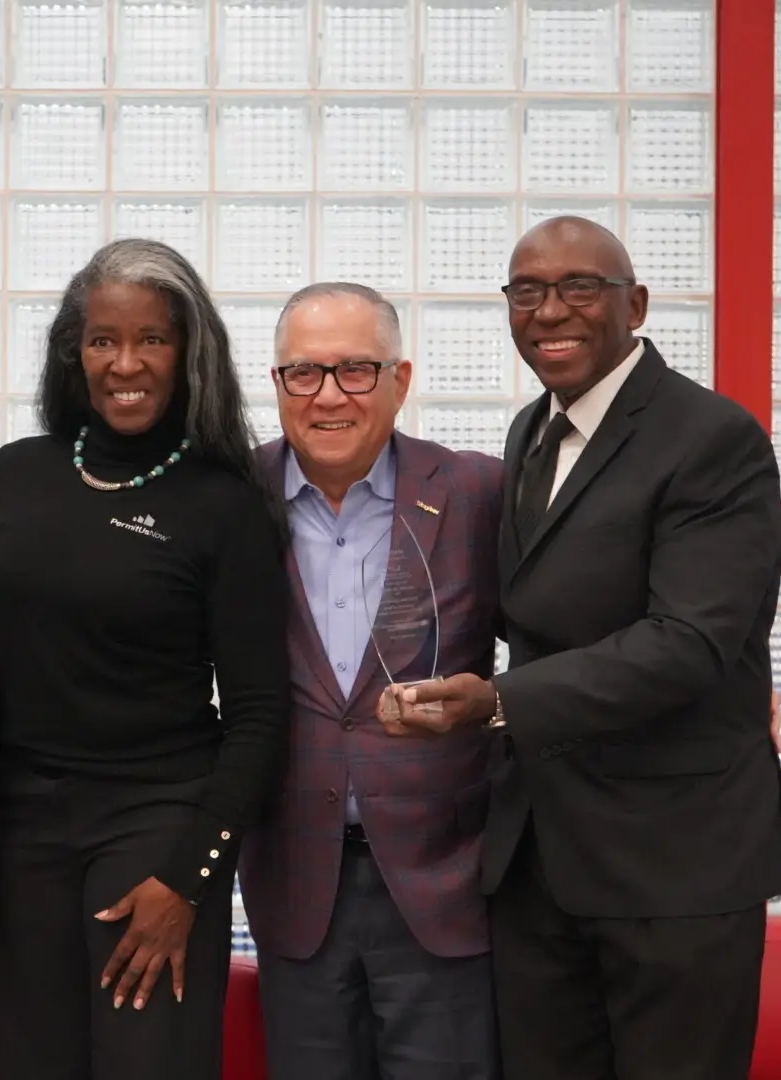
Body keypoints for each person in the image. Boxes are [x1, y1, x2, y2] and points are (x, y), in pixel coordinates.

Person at [392, 217, 781, 1080]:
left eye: (580, 288)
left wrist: (499, 702)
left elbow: (689, 641)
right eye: (527, 291)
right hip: (541, 858)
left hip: (674, 866)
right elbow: (540, 607)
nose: (550, 311)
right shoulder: (530, 432)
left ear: (635, 305)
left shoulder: (712, 438)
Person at [0, 238, 290, 1080]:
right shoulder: (14, 474)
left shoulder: (224, 501)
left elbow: (258, 713)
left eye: (151, 340)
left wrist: (190, 879)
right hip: (20, 825)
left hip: (156, 827)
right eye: (103, 340)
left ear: (188, 351)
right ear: (76, 353)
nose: (124, 363)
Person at [238, 283, 503, 1080]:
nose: (328, 397)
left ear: (401, 378)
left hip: (445, 884)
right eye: (304, 374)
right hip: (295, 884)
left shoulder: (476, 493)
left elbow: (567, 640)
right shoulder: (231, 499)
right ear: (278, 382)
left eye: (356, 371)